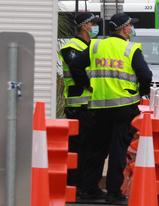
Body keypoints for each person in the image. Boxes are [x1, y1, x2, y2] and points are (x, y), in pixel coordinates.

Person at [71, 13, 152, 204]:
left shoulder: (96, 45)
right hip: (124, 106)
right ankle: (113, 193)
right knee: (118, 149)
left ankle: (89, 189)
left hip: (99, 107)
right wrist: (141, 93)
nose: (131, 29)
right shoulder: (130, 49)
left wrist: (88, 85)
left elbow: (75, 65)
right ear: (124, 28)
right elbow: (146, 75)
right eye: (130, 26)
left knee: (97, 148)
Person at [58, 12, 101, 196]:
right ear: (84, 26)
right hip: (78, 106)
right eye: (92, 24)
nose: (94, 27)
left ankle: (84, 185)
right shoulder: (70, 47)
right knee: (78, 148)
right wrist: (88, 85)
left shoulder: (92, 47)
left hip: (92, 106)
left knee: (90, 148)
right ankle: (74, 185)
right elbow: (76, 68)